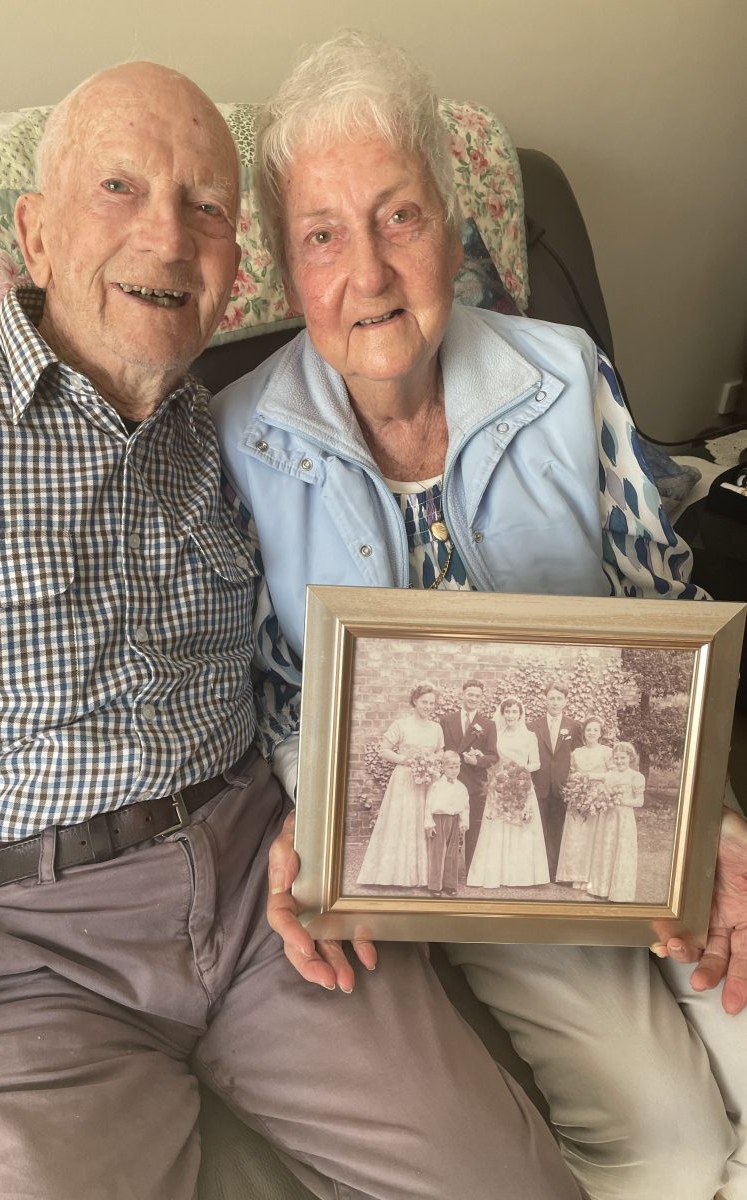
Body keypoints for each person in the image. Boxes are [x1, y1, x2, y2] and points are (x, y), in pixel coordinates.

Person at [0, 62, 584, 1200]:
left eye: (206, 209)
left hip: (265, 897)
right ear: (34, 238)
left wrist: (322, 820)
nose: (169, 237)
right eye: (119, 189)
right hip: (13, 952)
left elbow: (320, 672)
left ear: (238, 269)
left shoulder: (245, 438)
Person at [212, 30, 747, 1200]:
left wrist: (713, 815)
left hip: (648, 797)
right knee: (670, 1143)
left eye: (398, 216)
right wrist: (320, 803)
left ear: (453, 230)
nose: (368, 270)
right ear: (286, 268)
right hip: (475, 849)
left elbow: (665, 605)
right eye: (322, 235)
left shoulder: (565, 375)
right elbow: (264, 692)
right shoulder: (238, 445)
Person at [357, 681, 443, 887]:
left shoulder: (436, 728)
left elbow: (440, 751)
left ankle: (422, 876)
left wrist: (430, 760)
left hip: (427, 781)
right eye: (424, 702)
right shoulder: (401, 724)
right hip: (404, 780)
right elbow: (383, 750)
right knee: (402, 822)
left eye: (432, 703)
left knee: (423, 821)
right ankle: (394, 875)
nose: (428, 706)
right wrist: (406, 759)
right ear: (415, 701)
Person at [467, 697, 549, 888]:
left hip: (521, 782)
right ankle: (497, 873)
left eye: (514, 712)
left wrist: (519, 772)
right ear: (502, 714)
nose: (511, 715)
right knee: (498, 826)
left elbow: (536, 763)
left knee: (521, 826)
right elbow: (492, 758)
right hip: (500, 783)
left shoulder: (530, 736)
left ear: (520, 714)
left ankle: (521, 876)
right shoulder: (497, 735)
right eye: (508, 711)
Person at [440, 678, 498, 866]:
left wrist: (477, 760)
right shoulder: (447, 720)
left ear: (482, 698)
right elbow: (440, 749)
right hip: (450, 781)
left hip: (474, 782)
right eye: (470, 694)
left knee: (473, 827)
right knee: (448, 824)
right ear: (463, 694)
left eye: (477, 696)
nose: (473, 698)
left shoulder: (488, 725)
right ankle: (446, 868)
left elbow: (493, 756)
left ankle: (472, 869)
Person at [530, 679, 583, 877]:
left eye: (558, 699)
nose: (554, 702)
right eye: (551, 698)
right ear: (545, 700)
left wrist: (575, 783)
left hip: (563, 786)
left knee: (559, 828)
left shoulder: (574, 727)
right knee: (540, 828)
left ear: (565, 701)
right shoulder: (533, 726)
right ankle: (541, 870)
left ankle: (557, 872)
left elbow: (579, 756)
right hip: (539, 784)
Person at [556, 716, 614, 888]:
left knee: (594, 836)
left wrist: (591, 777)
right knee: (576, 836)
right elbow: (571, 774)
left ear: (601, 732)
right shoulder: (576, 753)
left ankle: (592, 877)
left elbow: (612, 775)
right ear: (584, 732)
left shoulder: (607, 752)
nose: (591, 733)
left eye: (595, 730)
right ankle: (576, 876)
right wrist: (577, 784)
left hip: (597, 798)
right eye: (589, 730)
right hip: (578, 797)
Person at [588, 740, 645, 901]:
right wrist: (581, 775)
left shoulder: (636, 777)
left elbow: (640, 802)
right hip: (607, 818)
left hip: (624, 819)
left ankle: (620, 892)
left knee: (622, 851)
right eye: (617, 758)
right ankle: (601, 888)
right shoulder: (610, 775)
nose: (619, 761)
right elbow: (594, 776)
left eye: (623, 758)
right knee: (606, 849)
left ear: (630, 758)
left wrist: (621, 801)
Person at [424, 750, 469, 895]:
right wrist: (429, 824)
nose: (454, 771)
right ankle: (435, 886)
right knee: (437, 853)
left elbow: (464, 806)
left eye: (457, 767)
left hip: (454, 819)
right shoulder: (436, 785)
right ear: (443, 767)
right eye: (450, 767)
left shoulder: (461, 787)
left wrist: (463, 821)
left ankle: (450, 885)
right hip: (439, 819)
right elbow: (428, 805)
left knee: (452, 853)